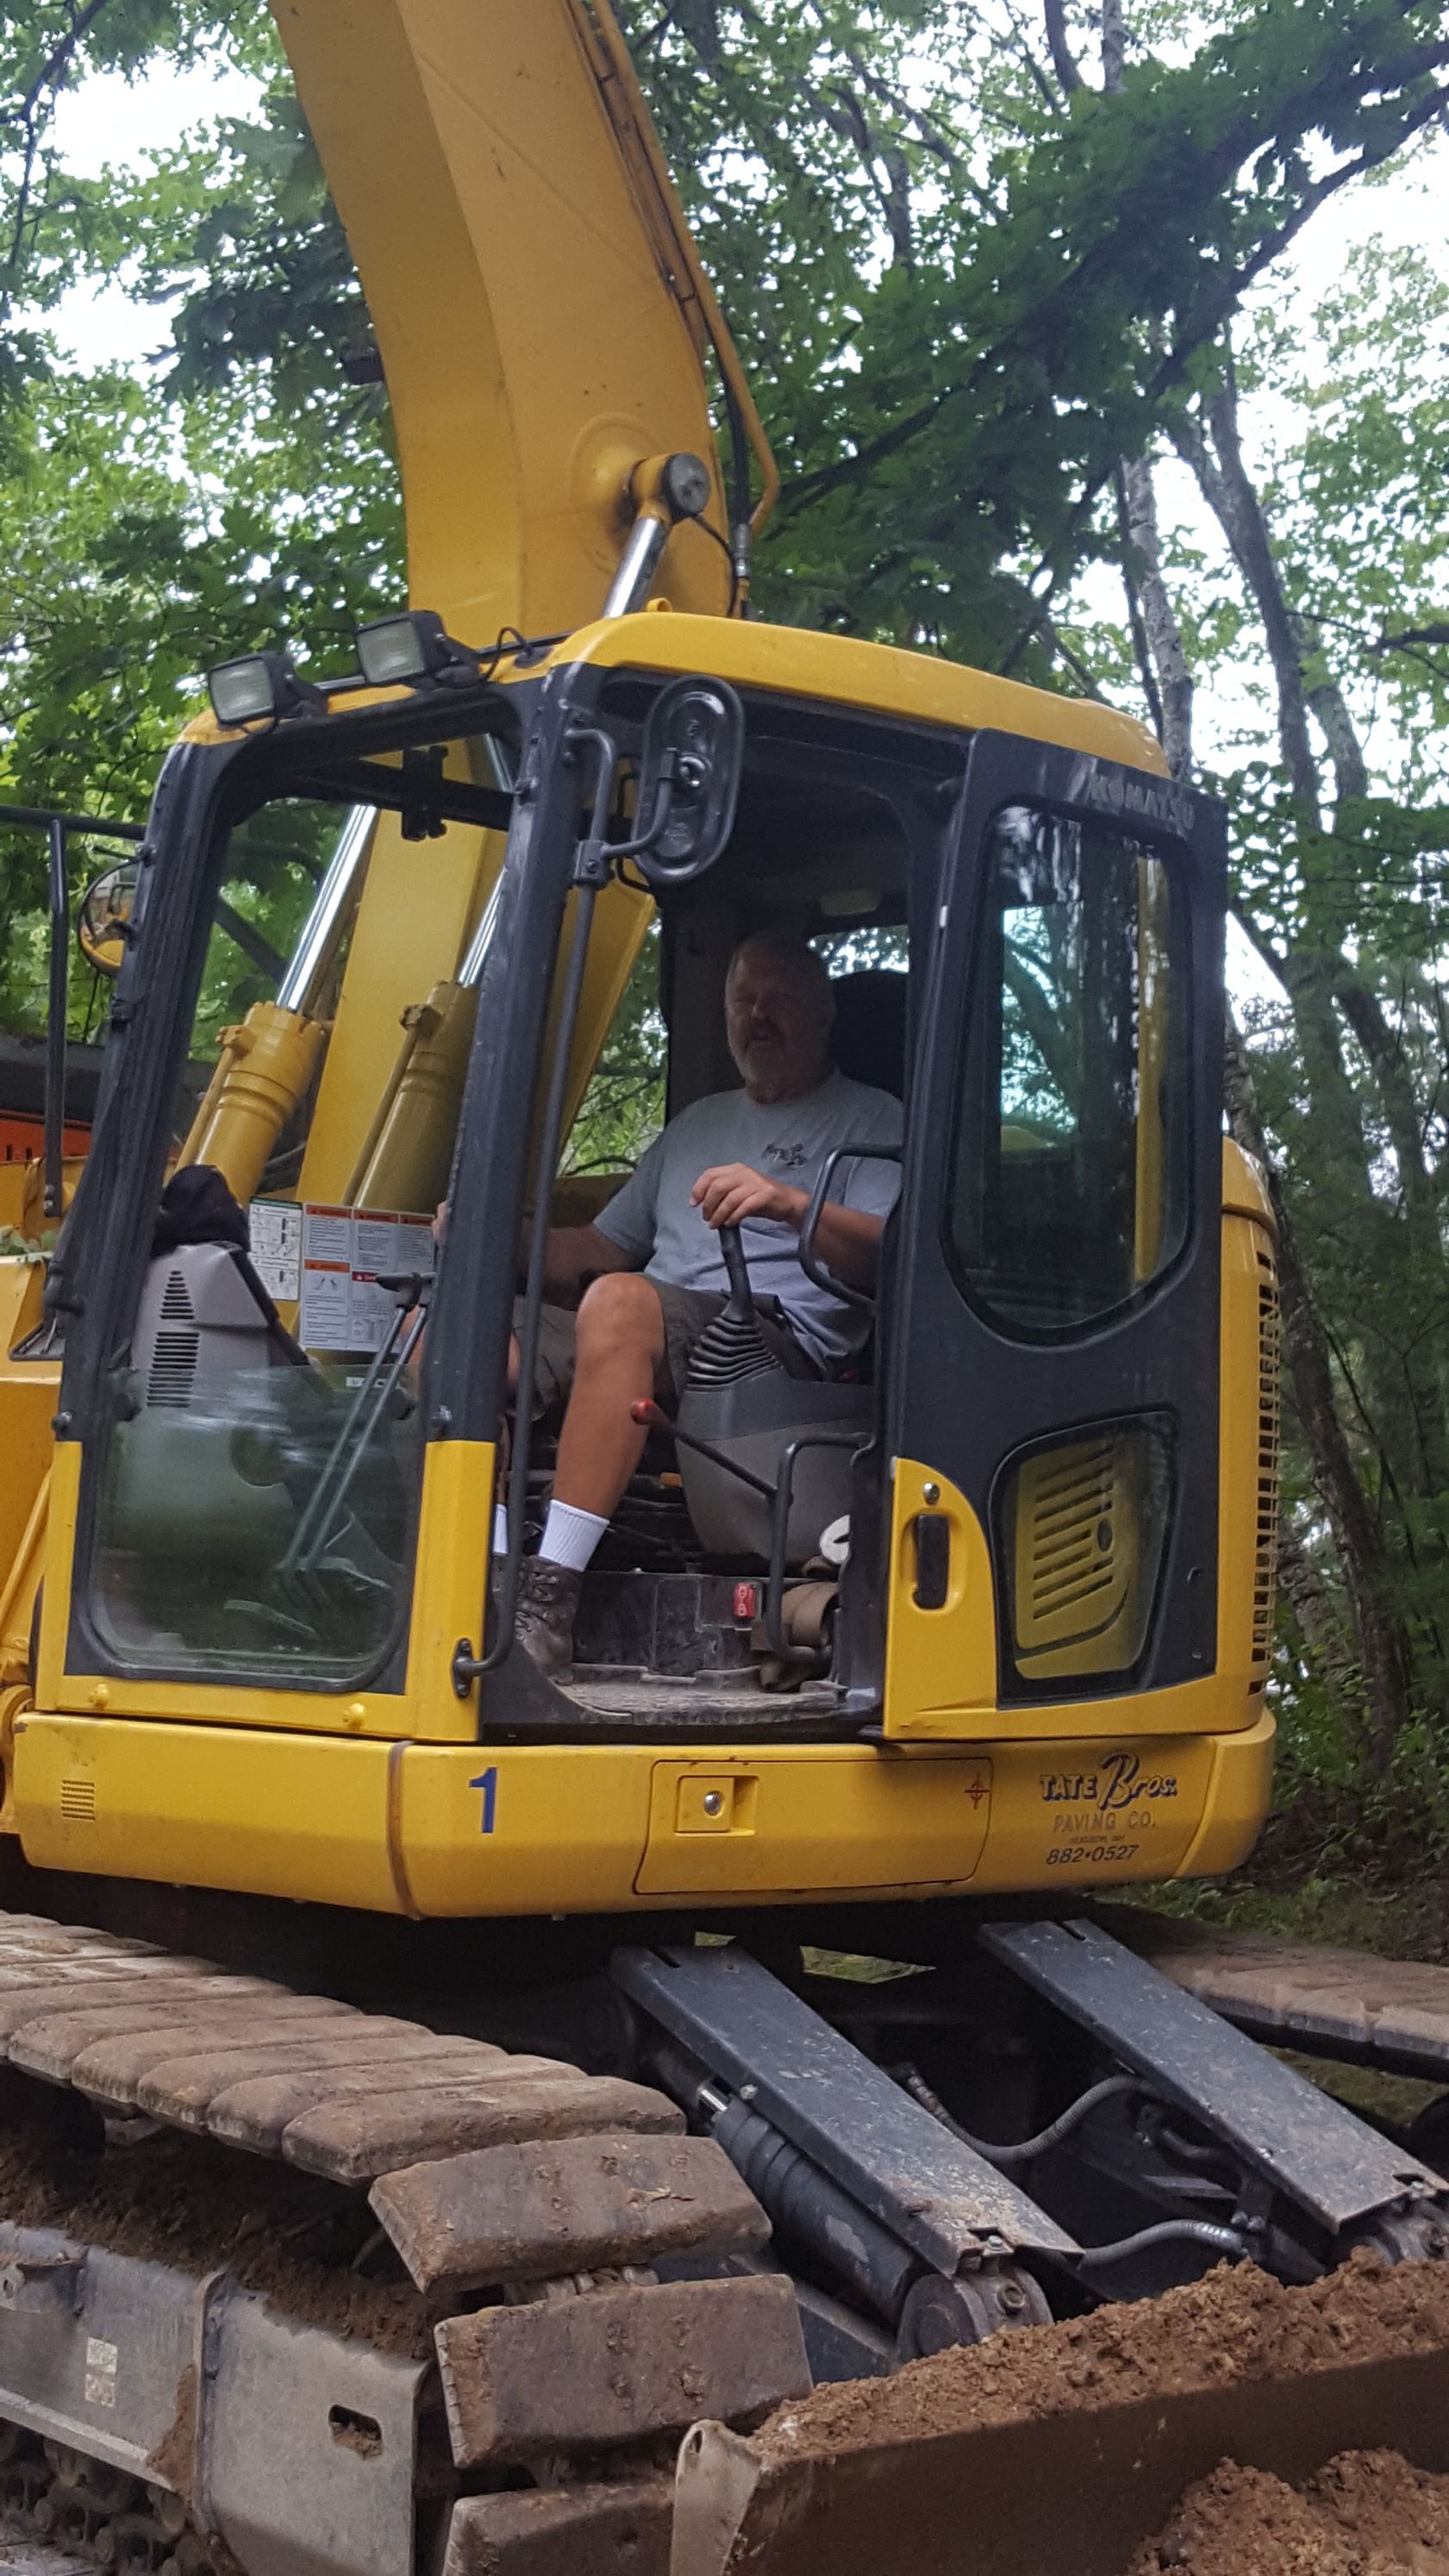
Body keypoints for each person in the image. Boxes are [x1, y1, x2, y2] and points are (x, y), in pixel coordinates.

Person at [509, 929, 903, 1676]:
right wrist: (491, 1238)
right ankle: (475, 1560)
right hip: (655, 1320)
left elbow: (889, 1258)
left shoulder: (872, 1119)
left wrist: (790, 1204)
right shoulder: (697, 1123)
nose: (757, 1016)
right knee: (463, 1333)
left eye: (778, 999)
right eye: (742, 1000)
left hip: (773, 1340)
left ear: (823, 1013)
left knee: (620, 1306)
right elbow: (596, 1249)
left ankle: (549, 1591)